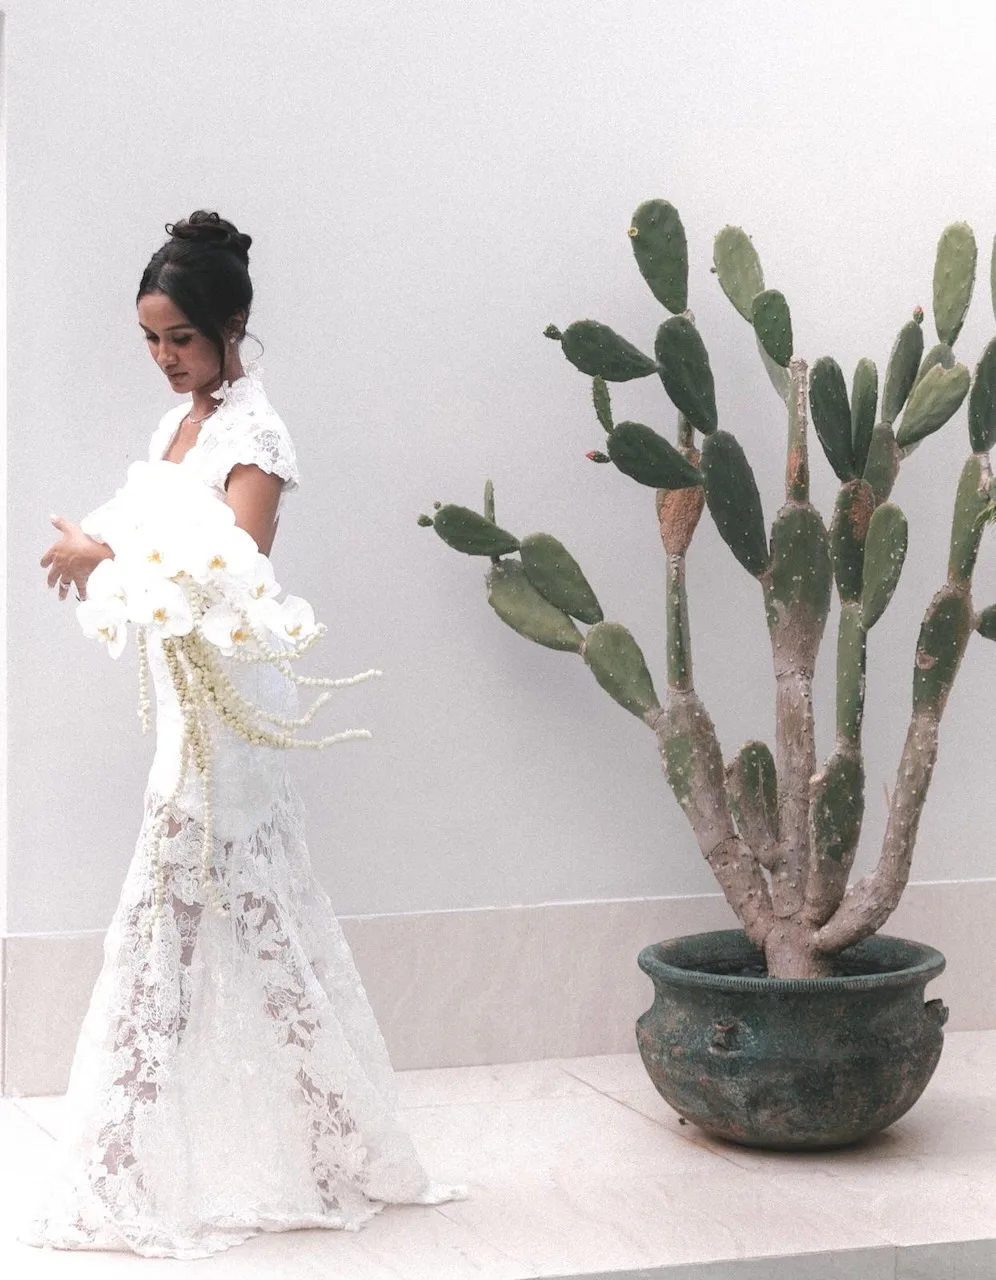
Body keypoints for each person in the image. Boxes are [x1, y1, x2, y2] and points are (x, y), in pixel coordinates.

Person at [22, 211, 464, 1260]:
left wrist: (105, 559)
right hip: (186, 696)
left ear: (233, 325)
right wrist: (98, 549)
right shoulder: (177, 425)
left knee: (185, 904)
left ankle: (121, 1158)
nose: (165, 358)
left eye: (180, 337)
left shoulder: (254, 434)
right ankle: (312, 1130)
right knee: (239, 907)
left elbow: (236, 568)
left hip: (229, 704)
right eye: (150, 339)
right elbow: (153, 528)